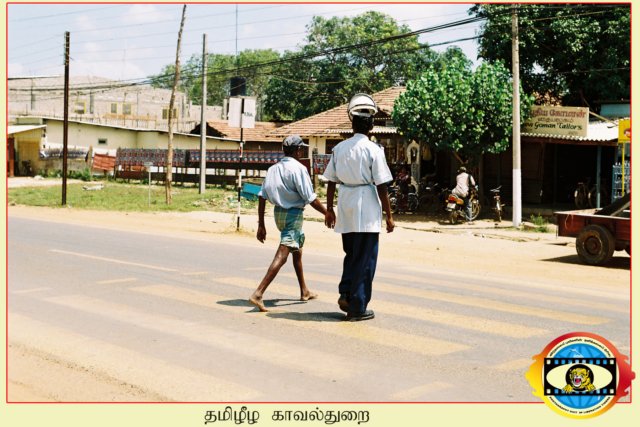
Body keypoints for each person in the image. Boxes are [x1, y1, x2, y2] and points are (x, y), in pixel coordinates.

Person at [323, 93, 395, 322]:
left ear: (352, 124)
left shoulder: (339, 148)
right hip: (366, 206)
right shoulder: (374, 150)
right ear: (371, 126)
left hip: (346, 204)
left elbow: (331, 181)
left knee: (351, 253)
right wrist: (389, 216)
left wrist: (329, 209)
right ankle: (357, 306)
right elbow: (381, 185)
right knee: (366, 259)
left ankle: (346, 293)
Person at [249, 135, 328, 312]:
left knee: (297, 250)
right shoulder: (298, 169)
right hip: (293, 215)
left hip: (278, 214)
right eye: (301, 149)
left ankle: (304, 290)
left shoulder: (273, 169)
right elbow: (310, 198)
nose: (302, 151)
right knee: (283, 254)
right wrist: (327, 213)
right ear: (297, 150)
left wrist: (261, 224)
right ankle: (258, 293)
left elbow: (262, 196)